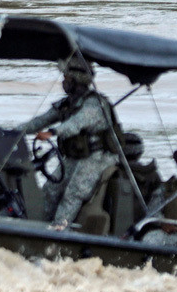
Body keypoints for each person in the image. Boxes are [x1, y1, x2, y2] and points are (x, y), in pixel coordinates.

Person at [19, 57, 122, 227]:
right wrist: (15, 131)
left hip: (98, 157)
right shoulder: (68, 104)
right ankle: (37, 225)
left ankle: (60, 227)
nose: (63, 82)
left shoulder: (94, 104)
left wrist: (53, 132)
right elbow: (41, 120)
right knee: (51, 190)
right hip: (75, 156)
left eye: (66, 78)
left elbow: (76, 124)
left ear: (76, 80)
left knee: (73, 193)